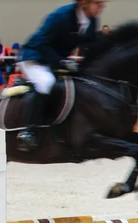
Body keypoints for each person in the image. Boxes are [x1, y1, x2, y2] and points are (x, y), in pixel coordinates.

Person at [17, 0, 109, 147]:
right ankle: (29, 131)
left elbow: (91, 44)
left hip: (57, 60)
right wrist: (61, 62)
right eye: (98, 3)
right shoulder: (60, 16)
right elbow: (41, 44)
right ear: (84, 3)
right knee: (47, 84)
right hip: (35, 57)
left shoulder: (92, 21)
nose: (101, 7)